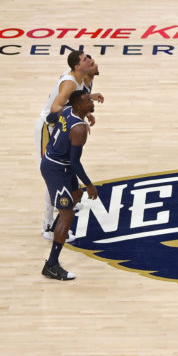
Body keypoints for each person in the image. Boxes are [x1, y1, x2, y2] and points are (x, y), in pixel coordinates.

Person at [36, 51, 103, 240]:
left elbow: (75, 103)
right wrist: (76, 118)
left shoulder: (82, 78)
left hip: (60, 125)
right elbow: (55, 108)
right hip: (47, 127)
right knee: (52, 172)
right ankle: (48, 225)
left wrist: (84, 113)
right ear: (76, 67)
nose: (89, 60)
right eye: (85, 59)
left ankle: (64, 202)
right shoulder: (71, 82)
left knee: (65, 165)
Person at [40, 91, 100, 280]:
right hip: (57, 169)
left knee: (75, 195)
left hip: (58, 163)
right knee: (67, 215)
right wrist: (90, 184)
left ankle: (57, 229)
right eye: (87, 101)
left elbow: (50, 117)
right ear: (78, 106)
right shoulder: (79, 129)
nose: (91, 102)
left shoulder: (66, 111)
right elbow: (75, 163)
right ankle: (51, 265)